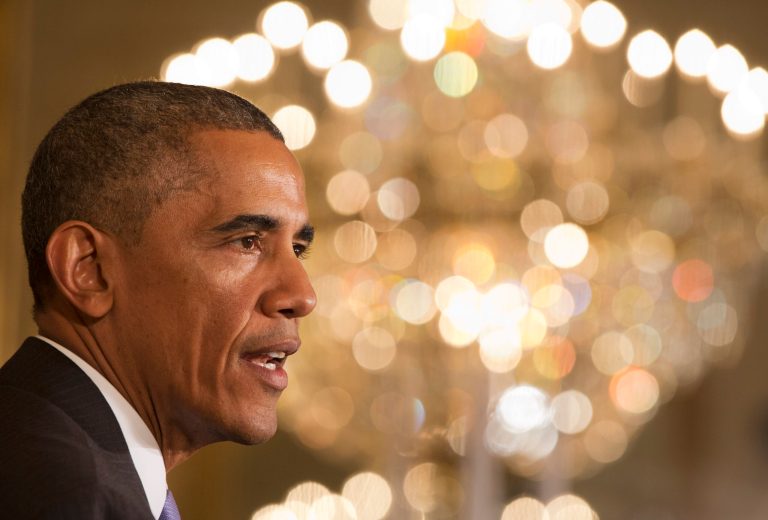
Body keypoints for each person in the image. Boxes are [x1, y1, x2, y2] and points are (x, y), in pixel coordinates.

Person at [0, 81, 317, 519]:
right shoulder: (63, 497)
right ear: (87, 268)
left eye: (298, 249)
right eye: (246, 241)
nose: (302, 296)